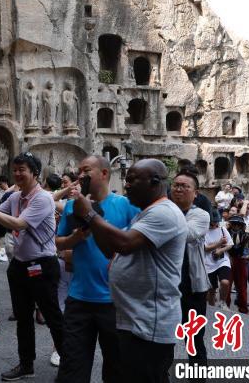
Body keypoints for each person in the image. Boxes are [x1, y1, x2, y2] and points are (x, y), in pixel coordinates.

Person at [72, 159, 187, 383]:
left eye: (133, 180)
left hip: (150, 324)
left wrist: (89, 215)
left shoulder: (164, 213)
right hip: (134, 319)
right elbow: (110, 250)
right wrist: (91, 218)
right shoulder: (143, 214)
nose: (127, 185)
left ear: (155, 182)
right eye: (127, 180)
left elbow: (123, 243)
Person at [0, 152, 64, 381]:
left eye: (23, 170)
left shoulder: (42, 198)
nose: (18, 174)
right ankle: (26, 364)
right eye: (16, 170)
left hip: (42, 265)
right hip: (20, 266)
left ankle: (70, 363)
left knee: (52, 316)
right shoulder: (17, 197)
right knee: (23, 318)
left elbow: (19, 223)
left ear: (35, 173)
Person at [55, 156, 139, 383]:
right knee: (72, 367)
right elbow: (58, 242)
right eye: (79, 170)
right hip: (79, 299)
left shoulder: (125, 205)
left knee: (116, 367)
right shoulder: (73, 206)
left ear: (104, 173)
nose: (80, 174)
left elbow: (134, 244)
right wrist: (74, 238)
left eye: (86, 170)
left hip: (115, 302)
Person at [170, 169, 210, 365]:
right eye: (176, 185)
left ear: (196, 193)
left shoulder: (201, 215)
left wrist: (160, 223)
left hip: (192, 285)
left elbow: (187, 234)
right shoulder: (164, 209)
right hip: (167, 285)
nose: (179, 189)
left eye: (185, 186)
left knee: (194, 338)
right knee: (164, 337)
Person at [204, 210, 233, 310]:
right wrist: (219, 243)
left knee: (225, 282)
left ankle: (222, 301)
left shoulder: (222, 229)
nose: (214, 224)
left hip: (222, 261)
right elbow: (205, 248)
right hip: (208, 263)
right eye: (213, 222)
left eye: (216, 222)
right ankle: (212, 309)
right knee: (211, 290)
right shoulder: (203, 231)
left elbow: (230, 244)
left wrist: (221, 250)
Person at [227, 215, 249, 313]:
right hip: (228, 259)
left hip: (241, 260)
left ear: (241, 226)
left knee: (241, 285)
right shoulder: (225, 233)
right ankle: (225, 305)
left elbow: (248, 249)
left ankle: (243, 307)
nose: (236, 226)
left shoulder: (246, 235)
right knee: (227, 284)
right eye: (234, 224)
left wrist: (246, 257)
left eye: (238, 224)